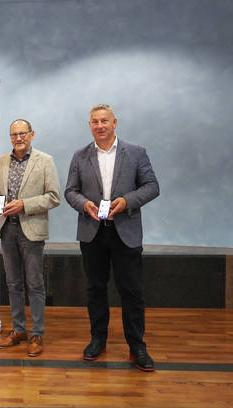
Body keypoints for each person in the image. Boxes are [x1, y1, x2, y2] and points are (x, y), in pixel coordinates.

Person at [64, 104, 159, 372]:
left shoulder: (136, 152)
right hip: (92, 231)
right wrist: (85, 204)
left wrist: (127, 201)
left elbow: (152, 186)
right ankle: (98, 339)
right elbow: (70, 191)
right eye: (95, 121)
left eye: (104, 121)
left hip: (125, 231)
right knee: (95, 289)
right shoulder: (80, 155)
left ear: (114, 123)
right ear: (90, 125)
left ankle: (137, 345)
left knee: (131, 290)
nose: (100, 125)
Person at [0, 119, 61, 357]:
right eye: (14, 134)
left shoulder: (45, 160)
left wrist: (24, 205)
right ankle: (19, 330)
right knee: (13, 283)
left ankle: (36, 333)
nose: (18, 138)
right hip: (7, 229)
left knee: (35, 284)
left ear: (32, 134)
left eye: (22, 133)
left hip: (31, 230)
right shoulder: (1, 162)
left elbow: (54, 197)